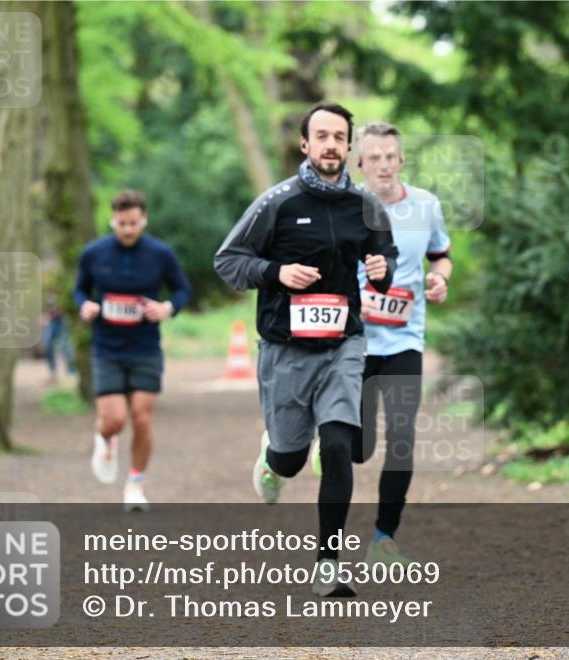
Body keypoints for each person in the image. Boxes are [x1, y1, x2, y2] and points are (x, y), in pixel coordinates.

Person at [214, 103, 398, 597]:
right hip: (285, 351)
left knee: (339, 446)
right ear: (305, 144)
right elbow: (228, 261)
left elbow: (386, 256)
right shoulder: (275, 202)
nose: (331, 145)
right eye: (322, 136)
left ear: (349, 146)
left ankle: (328, 564)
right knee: (293, 458)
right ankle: (273, 458)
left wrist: (383, 271)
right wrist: (276, 273)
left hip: (344, 344)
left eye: (340, 136)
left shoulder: (366, 206)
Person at [348, 121, 452, 566]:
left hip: (405, 340)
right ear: (359, 163)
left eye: (391, 156)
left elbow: (441, 254)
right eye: (374, 158)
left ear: (401, 159)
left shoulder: (426, 205)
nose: (384, 165)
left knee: (403, 437)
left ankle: (384, 536)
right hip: (352, 341)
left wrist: (440, 278)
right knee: (358, 447)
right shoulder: (345, 207)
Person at [75, 190, 192, 511]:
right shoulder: (94, 253)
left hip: (145, 348)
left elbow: (183, 289)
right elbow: (80, 289)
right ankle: (104, 438)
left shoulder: (160, 254)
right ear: (113, 220)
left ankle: (135, 484)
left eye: (134, 223)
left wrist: (167, 307)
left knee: (141, 417)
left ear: (144, 220)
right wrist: (84, 305)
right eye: (122, 223)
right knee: (114, 420)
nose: (128, 229)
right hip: (107, 348)